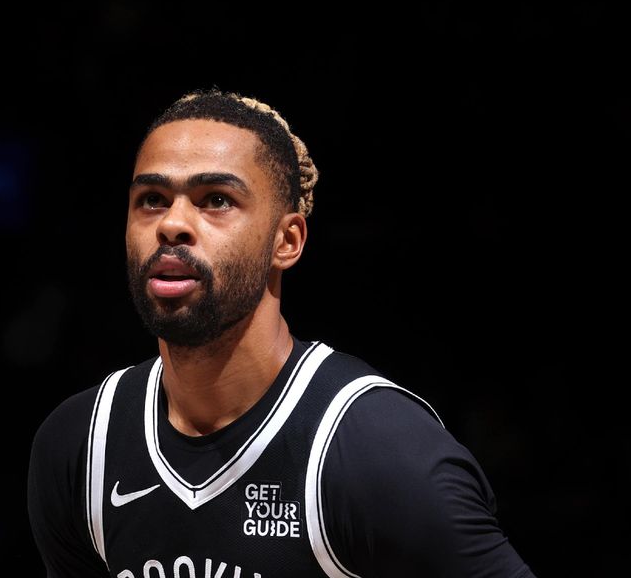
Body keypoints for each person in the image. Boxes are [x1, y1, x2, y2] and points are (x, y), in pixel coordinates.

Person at [27, 87, 536, 577]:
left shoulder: (378, 451)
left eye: (216, 199)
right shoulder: (79, 446)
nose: (172, 224)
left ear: (286, 240)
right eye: (153, 199)